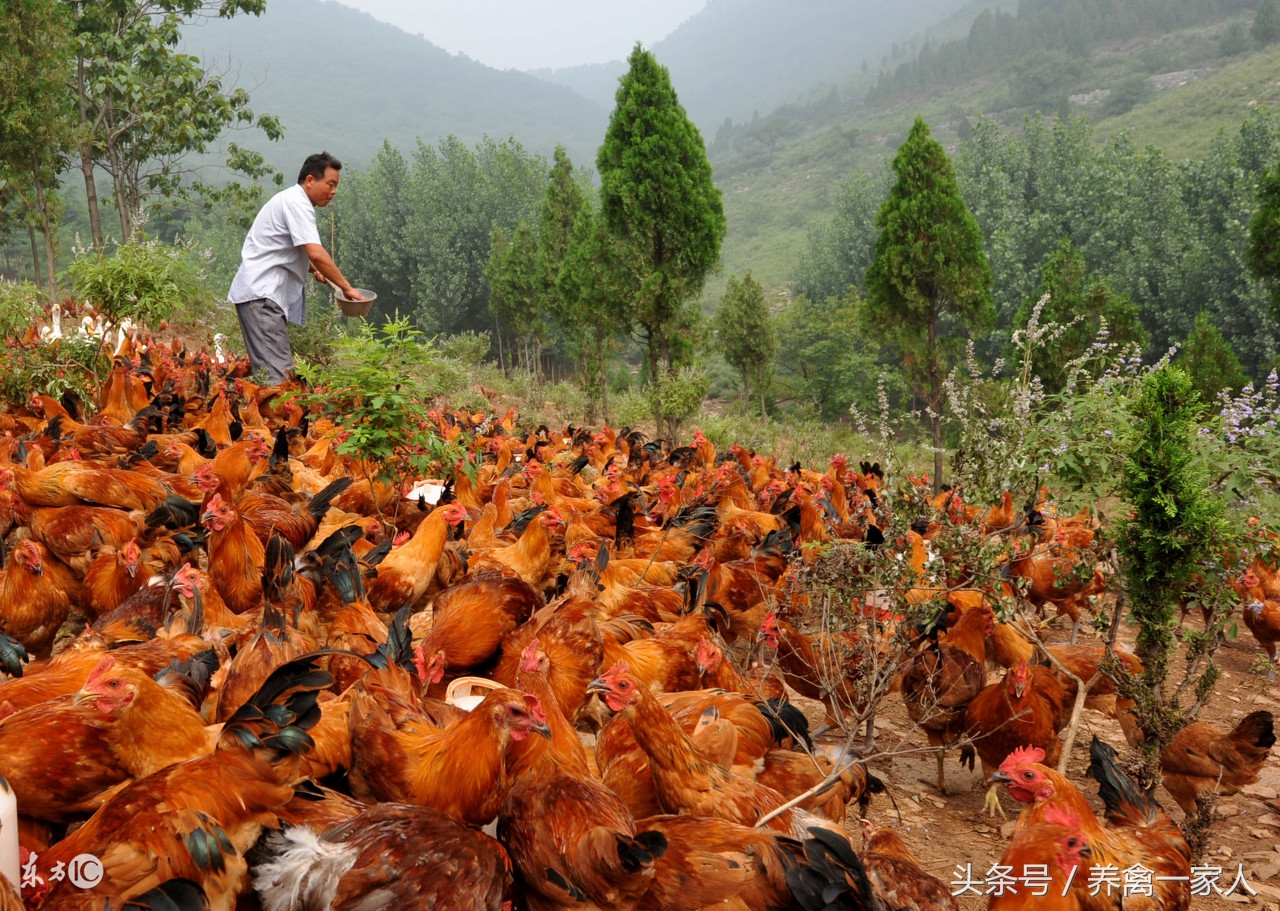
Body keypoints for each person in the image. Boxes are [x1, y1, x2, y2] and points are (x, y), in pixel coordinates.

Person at [227, 151, 364, 383]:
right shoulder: (297, 203)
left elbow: (285, 249)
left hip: (259, 297)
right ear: (310, 180)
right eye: (330, 184)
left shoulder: (291, 200)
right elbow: (315, 252)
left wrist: (312, 269)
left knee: (271, 376)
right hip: (262, 297)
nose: (334, 191)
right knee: (279, 379)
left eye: (336, 186)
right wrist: (345, 287)